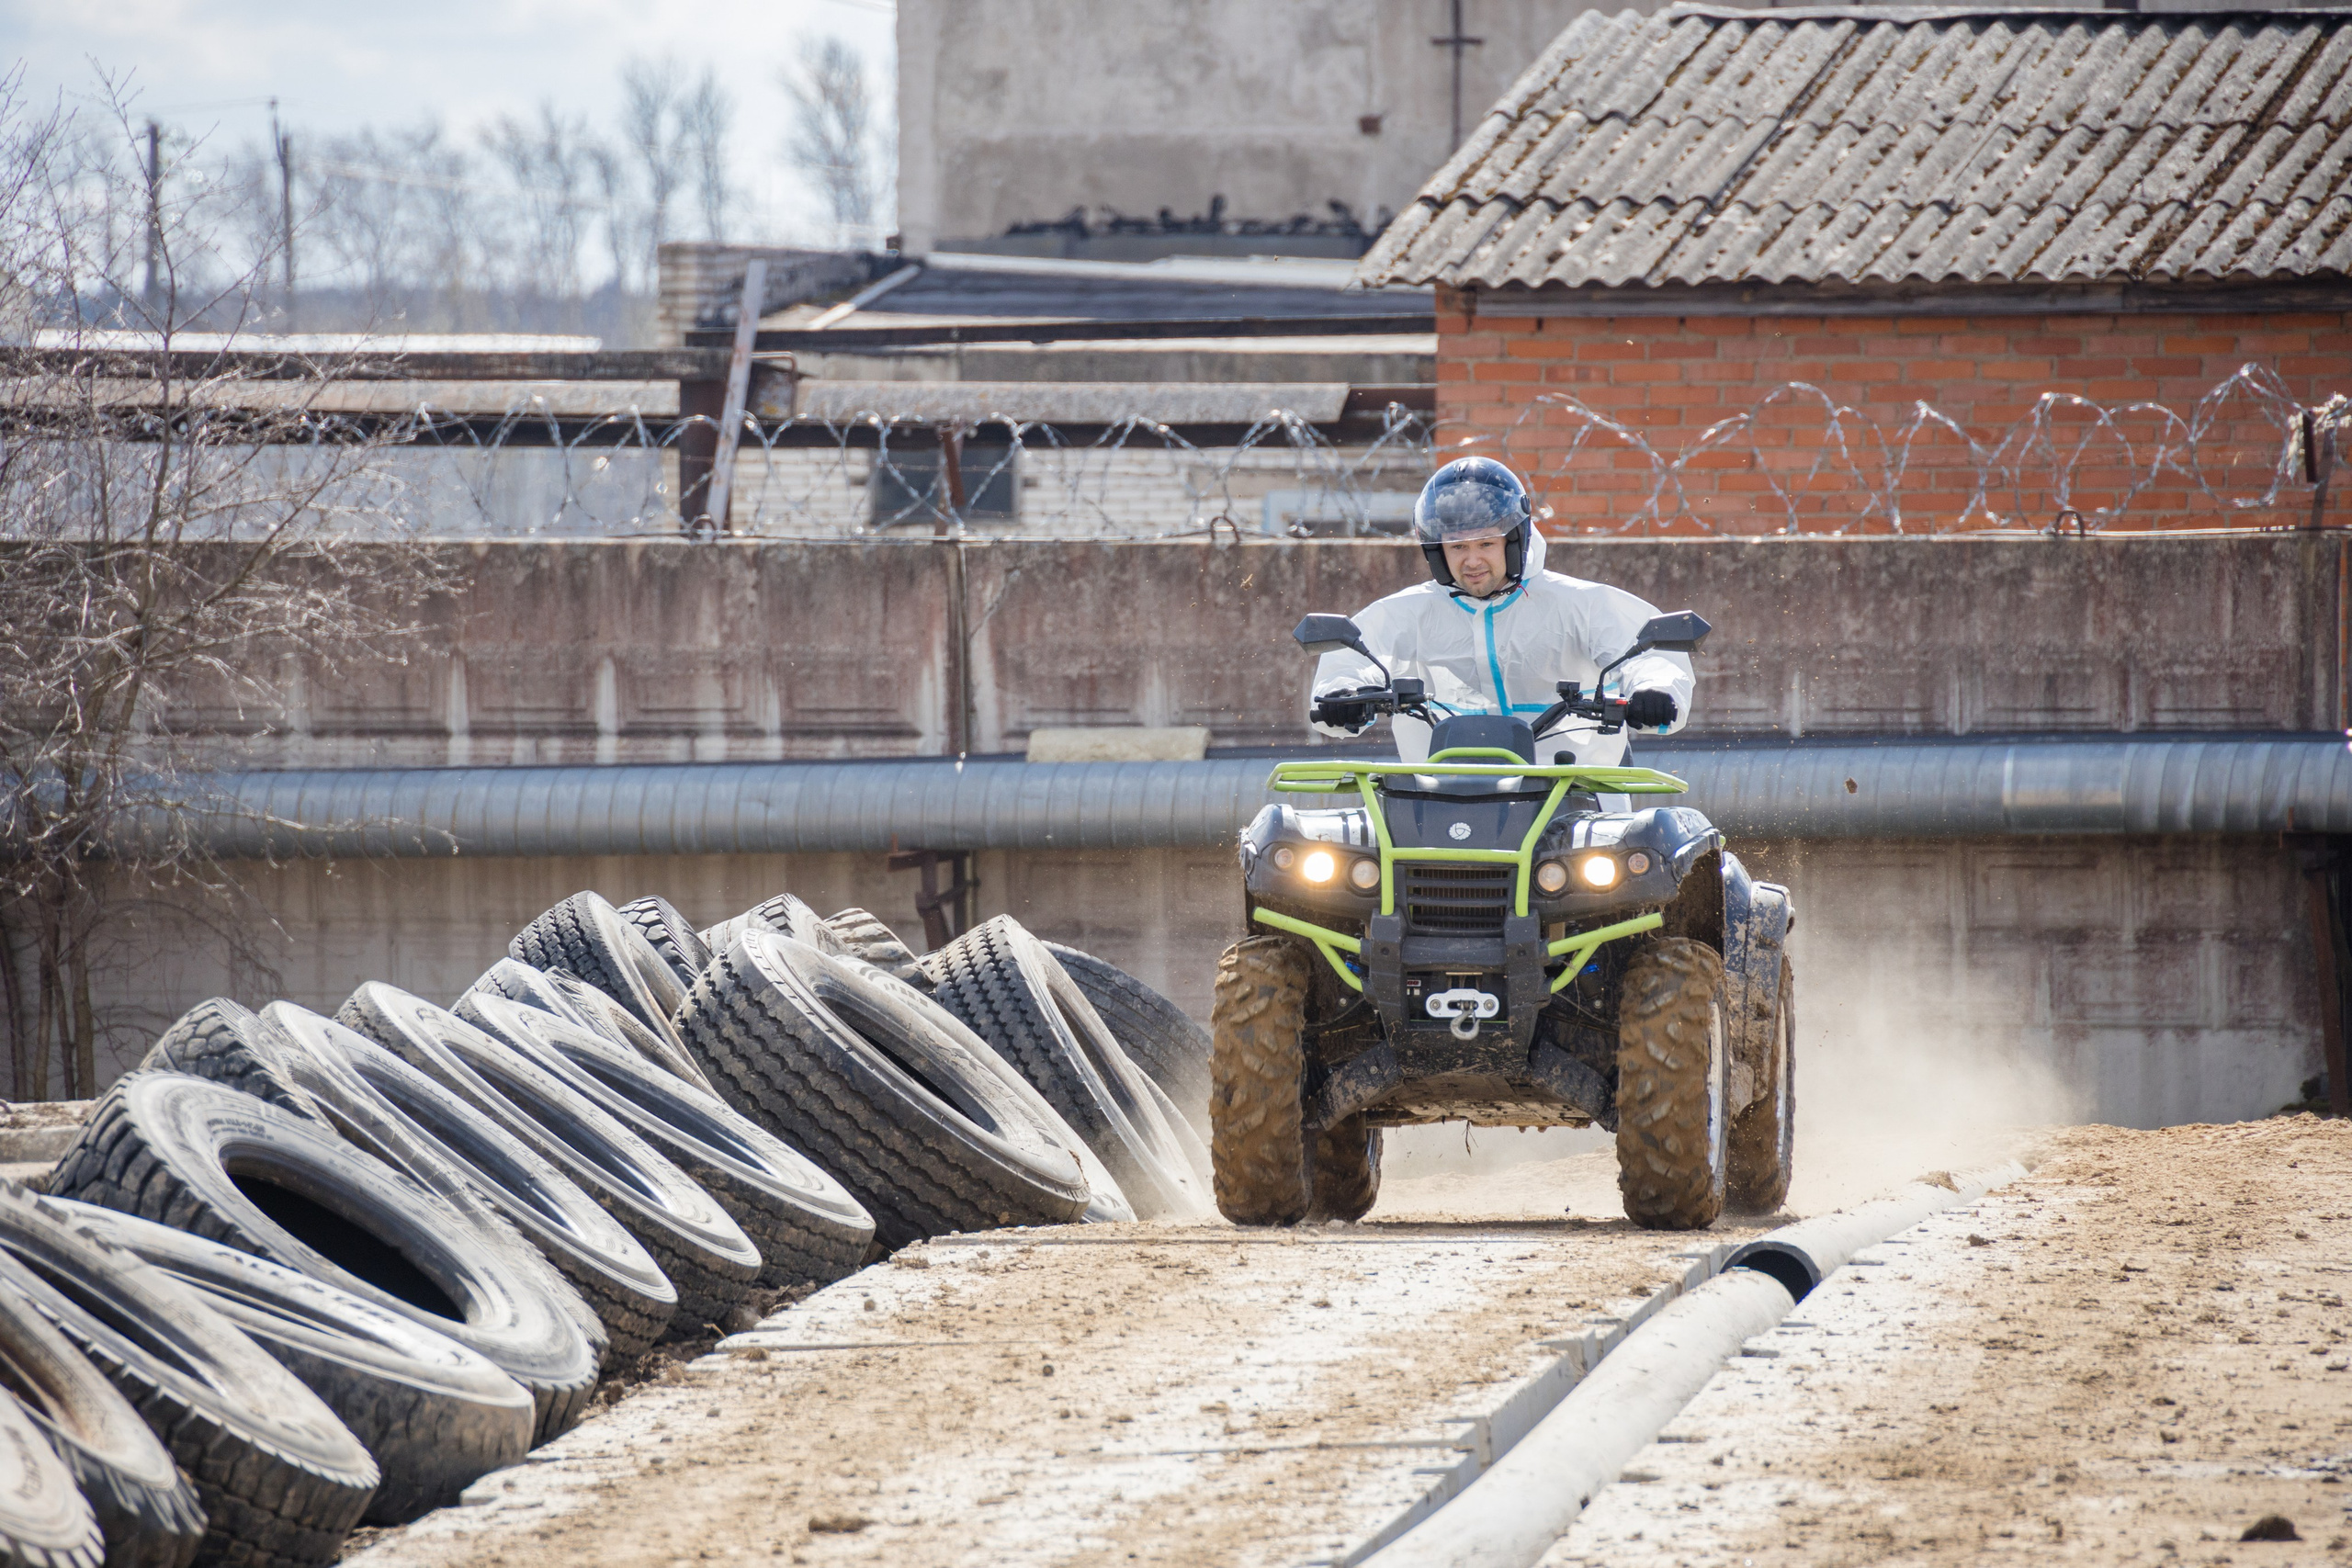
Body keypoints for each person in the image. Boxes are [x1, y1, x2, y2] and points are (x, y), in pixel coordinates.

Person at [1307, 457, 1694, 766]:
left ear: (1515, 541)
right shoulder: (1408, 612)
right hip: (1438, 797)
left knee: (1646, 852)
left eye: (1485, 544)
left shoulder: (1582, 604)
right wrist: (1342, 694)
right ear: (1437, 553)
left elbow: (1648, 654)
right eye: (1457, 548)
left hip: (1578, 798)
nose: (1472, 561)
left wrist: (1652, 690)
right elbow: (1353, 660)